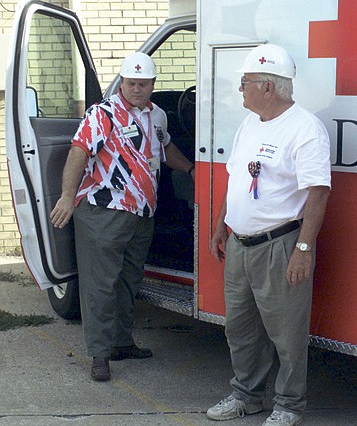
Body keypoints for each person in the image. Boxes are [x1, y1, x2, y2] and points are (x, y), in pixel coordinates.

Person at [49, 52, 195, 382]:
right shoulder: (102, 114)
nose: (136, 90)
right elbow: (78, 153)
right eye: (131, 83)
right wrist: (67, 197)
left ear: (153, 85)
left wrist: (188, 167)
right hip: (104, 211)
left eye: (143, 84)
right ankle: (100, 355)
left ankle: (121, 343)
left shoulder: (157, 115)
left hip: (143, 212)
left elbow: (165, 146)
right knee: (100, 285)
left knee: (128, 282)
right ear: (122, 81)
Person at [207, 44, 331, 426]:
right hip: (241, 246)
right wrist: (220, 226)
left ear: (268, 87)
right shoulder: (250, 123)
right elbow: (237, 179)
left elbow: (318, 192)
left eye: (245, 83)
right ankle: (247, 395)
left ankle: (289, 405)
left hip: (280, 245)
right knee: (240, 329)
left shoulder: (305, 129)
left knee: (286, 334)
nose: (239, 89)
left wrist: (304, 249)